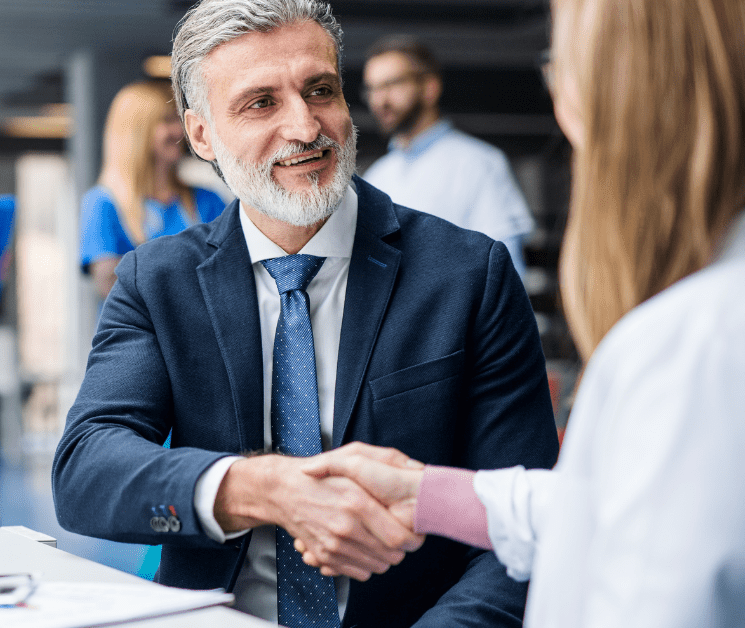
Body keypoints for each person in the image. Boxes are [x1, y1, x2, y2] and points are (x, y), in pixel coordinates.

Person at [299, 0, 745, 625]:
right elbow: (629, 510)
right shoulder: (744, 312)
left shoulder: (688, 348)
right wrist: (432, 496)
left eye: (559, 65)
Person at [52, 1, 559, 626]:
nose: (304, 126)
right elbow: (87, 471)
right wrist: (262, 488)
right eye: (260, 102)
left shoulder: (466, 275)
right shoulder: (158, 281)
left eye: (320, 90)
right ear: (202, 134)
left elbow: (526, 526)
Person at [361, 36, 534, 276]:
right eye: (372, 89)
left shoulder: (480, 164)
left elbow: (506, 272)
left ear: (430, 87)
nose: (381, 100)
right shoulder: (376, 177)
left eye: (392, 84)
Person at [80, 79, 227, 300]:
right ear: (137, 132)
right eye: (167, 120)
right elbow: (113, 289)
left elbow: (231, 272)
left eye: (179, 119)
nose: (180, 130)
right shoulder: (103, 204)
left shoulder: (208, 200)